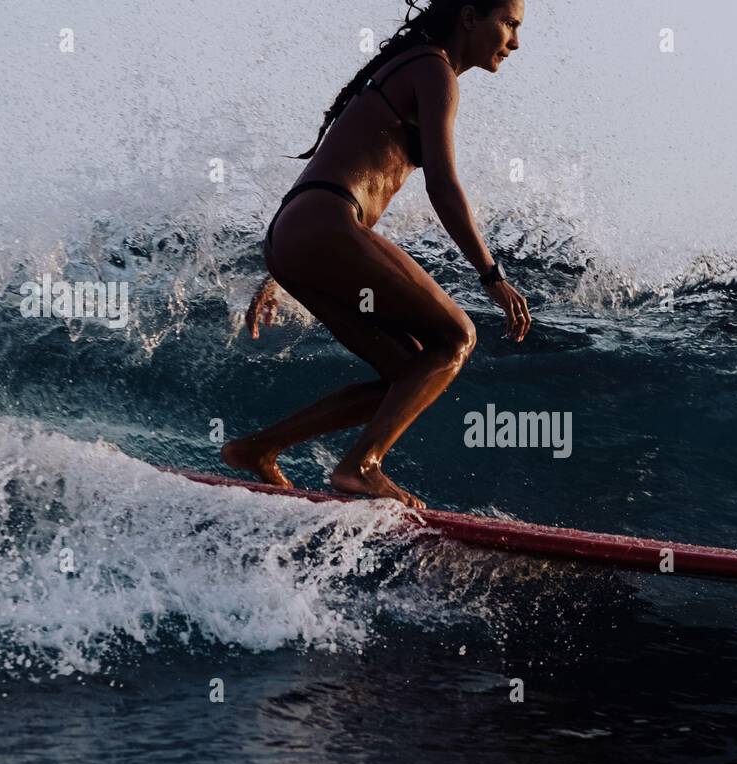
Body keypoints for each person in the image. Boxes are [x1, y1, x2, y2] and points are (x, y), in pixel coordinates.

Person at [221, 0, 531, 509]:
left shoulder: (407, 68)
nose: (515, 42)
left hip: (299, 232)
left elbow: (351, 175)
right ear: (471, 16)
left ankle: (257, 448)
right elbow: (443, 186)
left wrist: (281, 272)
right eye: (510, 24)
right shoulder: (434, 70)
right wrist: (490, 273)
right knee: (456, 337)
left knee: (407, 374)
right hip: (324, 224)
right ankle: (361, 468)